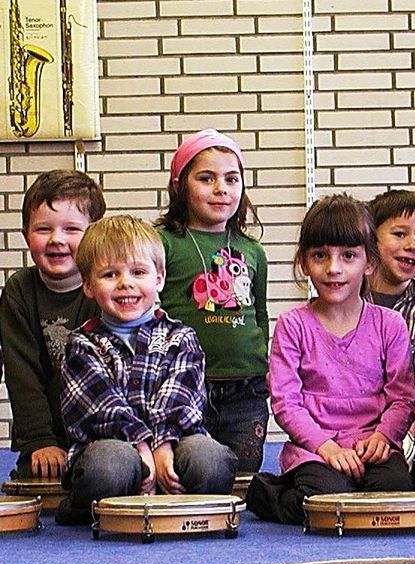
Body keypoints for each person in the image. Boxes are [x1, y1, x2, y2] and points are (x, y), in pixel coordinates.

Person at [246, 194, 415, 525]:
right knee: (324, 501)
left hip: (373, 445)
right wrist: (327, 448)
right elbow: (286, 403)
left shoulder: (389, 324)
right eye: (320, 255)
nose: (333, 268)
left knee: (394, 491)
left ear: (369, 263)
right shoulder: (293, 324)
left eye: (348, 256)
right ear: (304, 262)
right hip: (316, 449)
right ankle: (270, 493)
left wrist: (384, 437)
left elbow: (402, 397)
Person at [56, 215, 237, 525]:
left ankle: (171, 502)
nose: (126, 283)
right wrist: (141, 448)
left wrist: (162, 447)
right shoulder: (82, 344)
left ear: (159, 278)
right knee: (109, 468)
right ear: (87, 285)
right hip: (116, 447)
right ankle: (85, 508)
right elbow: (102, 408)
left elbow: (181, 401)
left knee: (211, 461)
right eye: (110, 274)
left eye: (138, 272)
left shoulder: (181, 337)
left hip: (174, 442)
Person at [156, 129, 268, 473]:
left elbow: (259, 315)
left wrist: (265, 364)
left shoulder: (252, 250)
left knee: (242, 471)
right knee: (194, 469)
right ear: (180, 186)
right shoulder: (164, 243)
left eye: (232, 179)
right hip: (184, 384)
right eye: (206, 178)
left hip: (245, 388)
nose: (221, 189)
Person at [0, 169, 105, 480]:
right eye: (43, 229)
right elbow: (22, 374)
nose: (57, 239)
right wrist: (39, 441)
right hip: (47, 435)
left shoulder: (107, 288)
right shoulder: (19, 291)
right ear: (25, 234)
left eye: (72, 229)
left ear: (94, 234)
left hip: (99, 432)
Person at [368, 189, 415, 477]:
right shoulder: (345, 304)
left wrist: (405, 434)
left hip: (406, 431)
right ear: (371, 237)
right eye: (400, 234)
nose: (412, 245)